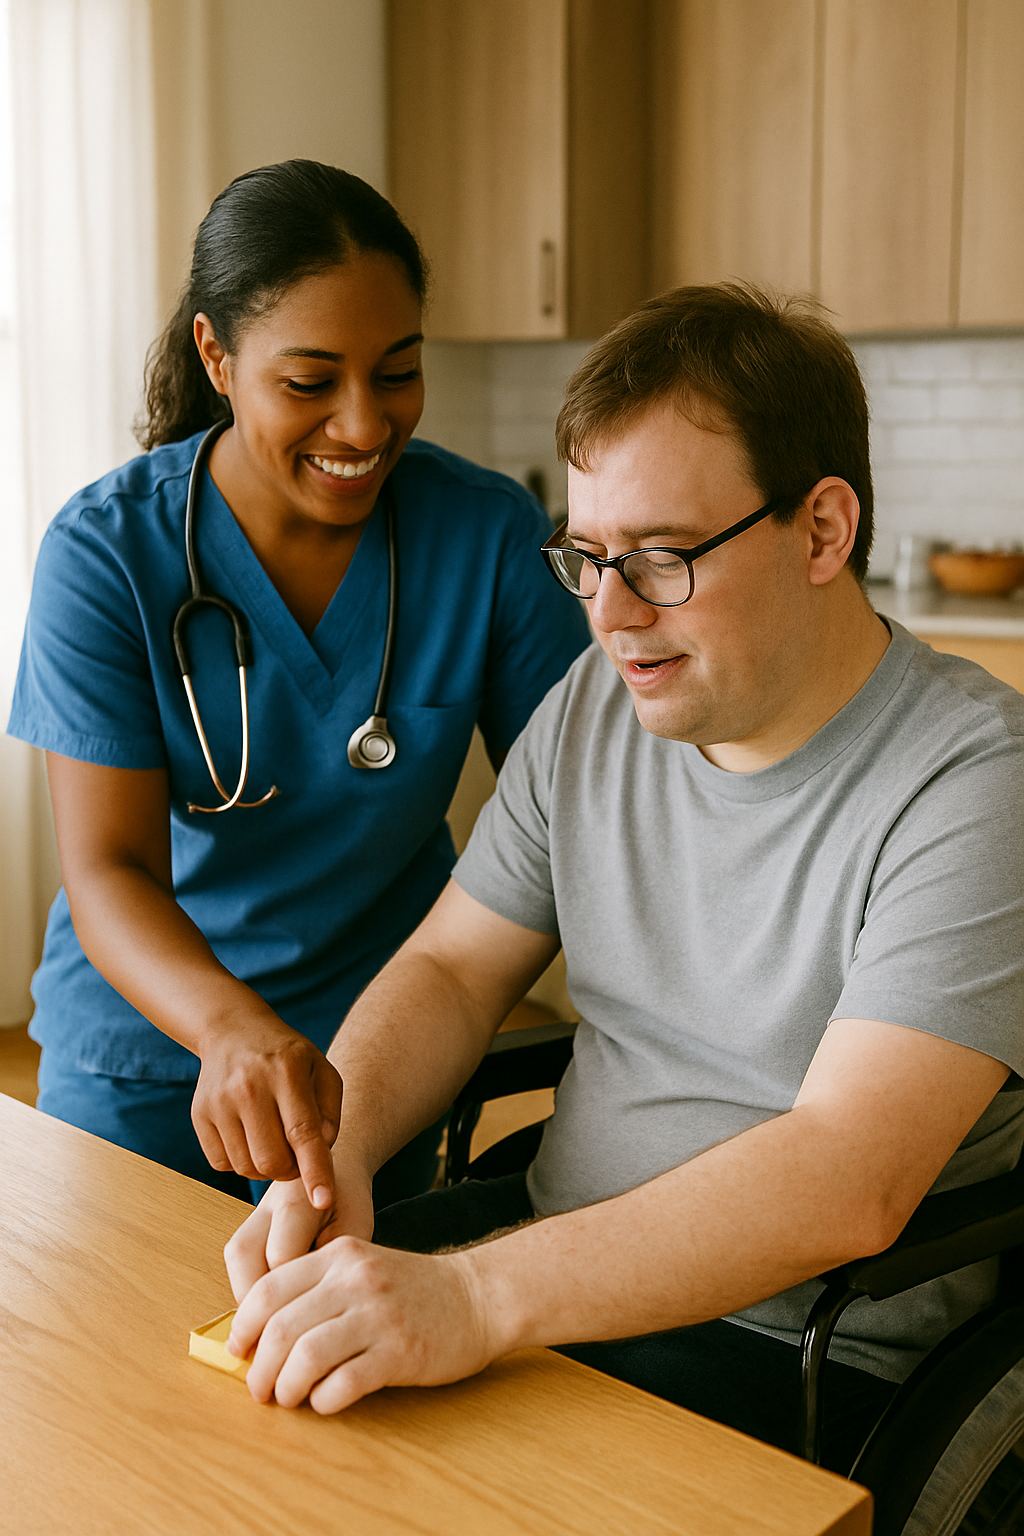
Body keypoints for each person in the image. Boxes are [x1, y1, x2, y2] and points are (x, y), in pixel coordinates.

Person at [221, 282, 1024, 1470]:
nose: (608, 615)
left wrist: (476, 1301)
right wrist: (337, 1148)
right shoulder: (599, 704)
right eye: (586, 558)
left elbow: (847, 1174)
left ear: (821, 529)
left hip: (797, 1346)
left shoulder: (975, 782)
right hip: (547, 1256)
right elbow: (449, 967)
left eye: (657, 557)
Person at [7, 160, 588, 1212]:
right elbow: (108, 866)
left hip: (366, 1076)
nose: (364, 426)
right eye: (311, 382)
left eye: (398, 370)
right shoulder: (107, 554)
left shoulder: (485, 538)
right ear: (217, 356)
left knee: (326, 1364)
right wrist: (229, 1026)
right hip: (147, 1059)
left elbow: (582, 810)